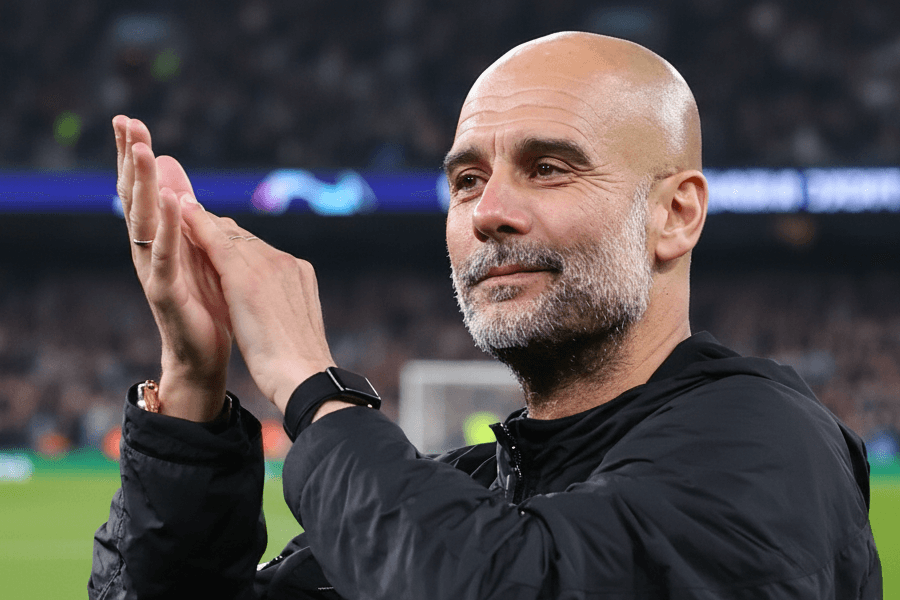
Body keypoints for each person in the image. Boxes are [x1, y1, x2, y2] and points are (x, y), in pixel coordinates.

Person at [90, 32, 881, 599]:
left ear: (675, 214)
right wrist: (190, 397)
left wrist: (313, 387)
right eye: (467, 181)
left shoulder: (770, 450)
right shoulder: (462, 491)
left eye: (548, 168)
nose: (489, 212)